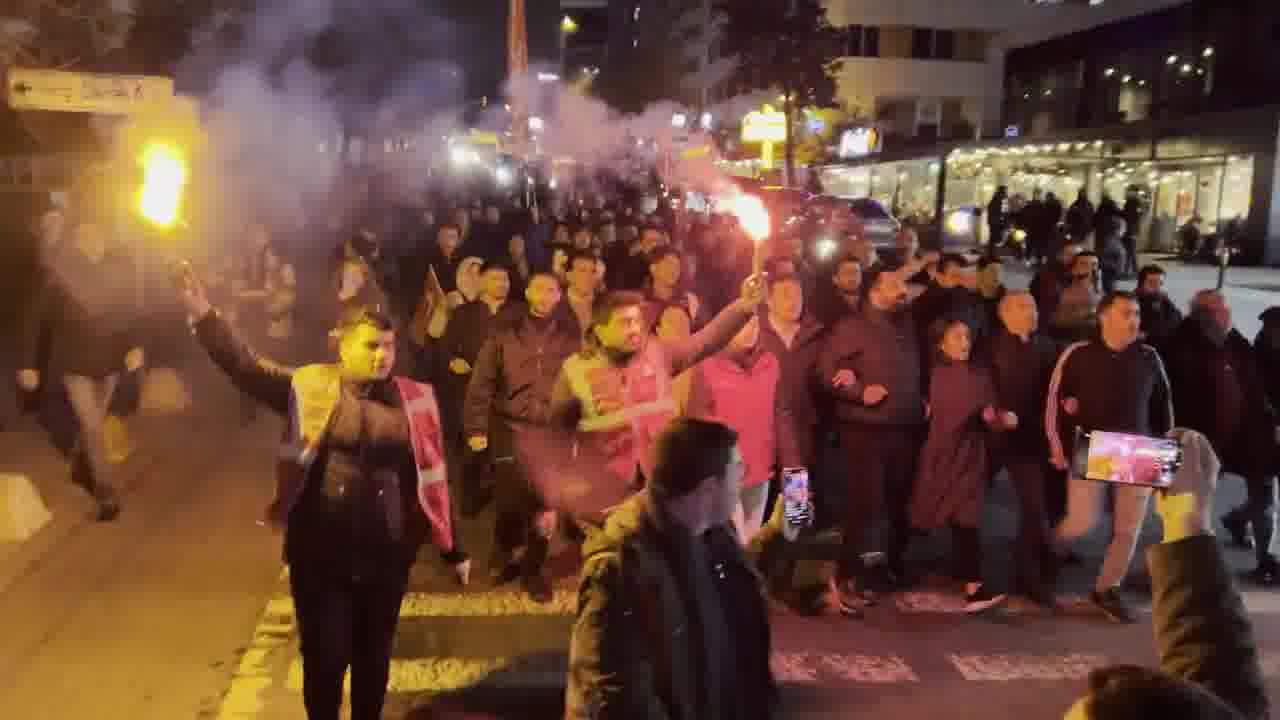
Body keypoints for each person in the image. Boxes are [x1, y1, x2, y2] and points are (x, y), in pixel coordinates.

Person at [177, 277, 455, 720]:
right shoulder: (307, 386)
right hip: (321, 554)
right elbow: (246, 368)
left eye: (387, 346)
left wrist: (448, 546)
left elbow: (433, 475)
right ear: (340, 345)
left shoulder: (414, 399)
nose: (381, 356)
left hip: (386, 555)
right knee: (326, 659)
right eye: (370, 346)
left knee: (373, 657)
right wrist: (205, 316)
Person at [565, 418, 777, 720]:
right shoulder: (622, 565)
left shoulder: (711, 532)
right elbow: (616, 696)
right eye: (737, 470)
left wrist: (779, 533)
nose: (743, 480)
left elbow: (733, 586)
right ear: (708, 489)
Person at [1063, 429, 1269, 720]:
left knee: (1124, 532)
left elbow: (1221, 701)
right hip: (1115, 456)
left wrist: (1184, 523)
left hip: (1123, 457)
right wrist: (1186, 524)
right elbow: (1224, 702)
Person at [549, 276, 765, 516]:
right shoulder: (574, 371)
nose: (634, 330)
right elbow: (555, 440)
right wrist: (557, 501)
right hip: (607, 500)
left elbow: (704, 342)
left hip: (661, 489)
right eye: (624, 323)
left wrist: (743, 306)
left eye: (637, 322)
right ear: (599, 331)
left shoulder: (659, 353)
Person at [1046, 291, 1174, 623]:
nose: (1133, 320)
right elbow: (1055, 402)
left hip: (1140, 449)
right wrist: (1058, 449)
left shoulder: (1149, 356)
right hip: (1095, 445)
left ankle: (1107, 589)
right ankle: (1047, 553)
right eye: (1125, 313)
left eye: (1136, 314)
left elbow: (1163, 409)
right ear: (1104, 316)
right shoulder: (1079, 354)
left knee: (1128, 529)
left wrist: (1166, 460)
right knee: (1082, 520)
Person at [463, 273, 581, 601]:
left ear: (560, 295)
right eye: (539, 288)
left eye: (552, 289)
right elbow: (481, 383)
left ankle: (533, 568)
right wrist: (475, 429)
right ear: (527, 292)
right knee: (509, 503)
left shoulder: (570, 338)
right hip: (510, 430)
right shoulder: (503, 334)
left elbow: (581, 384)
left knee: (545, 508)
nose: (545, 295)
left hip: (552, 434)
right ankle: (503, 555)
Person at [17, 219, 145, 521]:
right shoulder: (60, 275)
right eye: (86, 236)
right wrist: (27, 362)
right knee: (91, 427)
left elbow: (130, 313)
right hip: (75, 365)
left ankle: (79, 463)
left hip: (110, 364)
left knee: (94, 428)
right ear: (77, 241)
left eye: (98, 235)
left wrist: (135, 345)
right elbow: (35, 317)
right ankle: (105, 494)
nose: (94, 242)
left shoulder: (115, 272)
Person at [817, 268, 927, 615]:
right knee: (863, 506)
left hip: (903, 427)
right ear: (874, 292)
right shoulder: (851, 327)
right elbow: (825, 372)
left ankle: (888, 566)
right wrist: (859, 391)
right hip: (862, 430)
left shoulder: (905, 325)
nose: (902, 291)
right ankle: (842, 575)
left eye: (903, 285)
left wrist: (920, 400)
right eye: (894, 285)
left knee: (898, 502)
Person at [1163, 291, 1278, 586]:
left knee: (1264, 492)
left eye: (1226, 307)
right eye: (1220, 309)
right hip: (1200, 439)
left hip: (1247, 434)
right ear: (1203, 314)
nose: (1228, 313)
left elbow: (1253, 382)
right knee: (1191, 507)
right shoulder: (1180, 344)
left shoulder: (1234, 339)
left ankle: (1267, 559)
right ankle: (1183, 565)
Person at [910, 317, 1016, 612]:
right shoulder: (933, 374)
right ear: (941, 343)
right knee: (932, 517)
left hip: (969, 455)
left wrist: (998, 420)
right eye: (956, 337)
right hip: (942, 454)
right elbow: (938, 414)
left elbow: (988, 413)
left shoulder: (980, 375)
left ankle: (973, 585)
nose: (963, 343)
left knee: (967, 520)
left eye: (967, 336)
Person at [687, 315, 800, 543]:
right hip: (724, 475)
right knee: (736, 544)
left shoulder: (770, 362)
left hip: (760, 472)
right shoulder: (707, 367)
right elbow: (696, 425)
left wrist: (796, 480)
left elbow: (782, 420)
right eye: (741, 325)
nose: (749, 330)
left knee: (753, 542)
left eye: (754, 324)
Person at [986, 291, 1062, 607]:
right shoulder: (992, 347)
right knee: (1032, 508)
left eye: (1033, 305)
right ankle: (1030, 574)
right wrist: (995, 412)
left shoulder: (1046, 345)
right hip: (1006, 439)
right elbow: (983, 386)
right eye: (1022, 306)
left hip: (1039, 437)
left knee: (1040, 508)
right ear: (1005, 314)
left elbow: (1057, 387)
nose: (1031, 311)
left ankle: (1030, 571)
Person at [1135, 265, 1183, 346]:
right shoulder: (1131, 302)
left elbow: (1177, 318)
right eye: (1152, 283)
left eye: (1160, 283)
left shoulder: (1162, 297)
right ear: (1140, 283)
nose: (1157, 287)